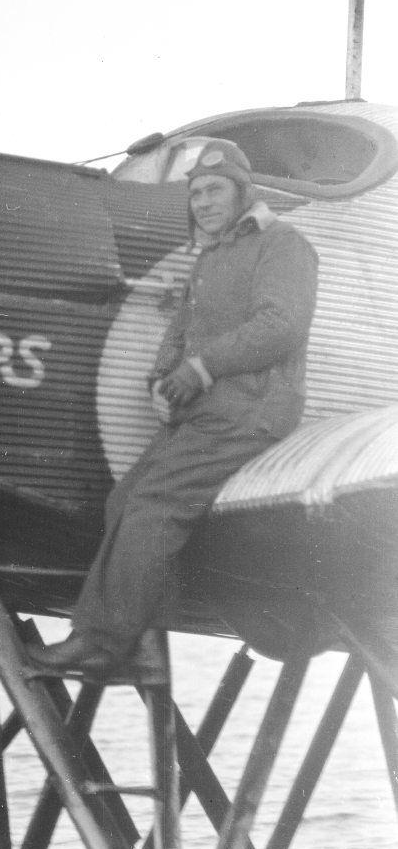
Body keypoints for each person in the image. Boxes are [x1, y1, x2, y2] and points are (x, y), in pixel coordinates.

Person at [30, 137, 319, 675]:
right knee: (125, 500)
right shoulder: (212, 256)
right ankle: (141, 644)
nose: (203, 202)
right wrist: (161, 378)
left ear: (242, 190)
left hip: (254, 411)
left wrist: (202, 367)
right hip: (209, 415)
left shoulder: (284, 245)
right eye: (196, 194)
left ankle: (101, 642)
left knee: (154, 508)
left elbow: (282, 325)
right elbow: (181, 330)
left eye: (214, 190)